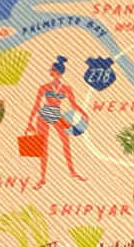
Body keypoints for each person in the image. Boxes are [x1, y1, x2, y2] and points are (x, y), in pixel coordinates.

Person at [26, 56, 89, 189]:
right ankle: (42, 177)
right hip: (45, 113)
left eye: (53, 71)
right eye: (51, 71)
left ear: (59, 73)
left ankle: (72, 171)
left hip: (57, 113)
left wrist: (84, 113)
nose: (51, 72)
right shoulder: (44, 87)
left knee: (66, 142)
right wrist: (29, 122)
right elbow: (36, 105)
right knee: (43, 146)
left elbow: (73, 104)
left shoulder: (66, 88)